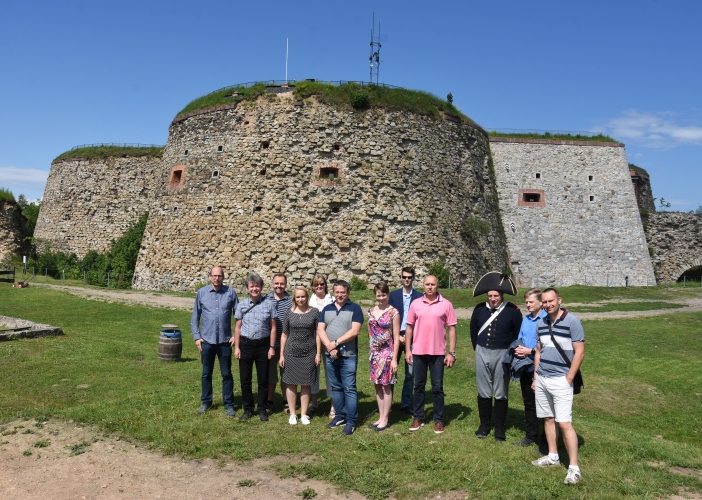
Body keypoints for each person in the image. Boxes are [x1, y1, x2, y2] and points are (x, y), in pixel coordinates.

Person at [531, 288, 585, 485]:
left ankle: (574, 467)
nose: (547, 305)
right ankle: (553, 456)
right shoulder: (541, 323)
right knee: (548, 418)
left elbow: (579, 352)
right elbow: (538, 351)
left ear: (559, 300)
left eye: (551, 301)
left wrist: (569, 378)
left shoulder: (573, 321)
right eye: (544, 302)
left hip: (561, 379)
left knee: (564, 423)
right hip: (543, 377)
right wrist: (536, 376)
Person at [405, 275, 457, 434]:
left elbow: (452, 329)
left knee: (437, 388)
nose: (429, 287)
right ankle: (418, 417)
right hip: (419, 351)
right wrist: (408, 349)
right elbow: (409, 327)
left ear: (437, 285)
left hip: (437, 352)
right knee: (418, 386)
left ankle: (438, 420)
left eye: (432, 284)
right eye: (427, 284)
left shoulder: (446, 304)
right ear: (423, 285)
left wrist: (452, 353)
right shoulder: (415, 304)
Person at [470, 288, 522, 441]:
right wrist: (477, 347)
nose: (493, 299)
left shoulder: (513, 310)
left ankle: (499, 428)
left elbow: (517, 333)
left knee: (501, 391)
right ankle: (484, 425)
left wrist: (509, 352)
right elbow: (473, 329)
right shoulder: (479, 308)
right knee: (483, 389)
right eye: (490, 296)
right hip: (482, 351)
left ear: (502, 295)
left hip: (502, 353)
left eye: (496, 296)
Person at [190, 266, 239, 417]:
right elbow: (195, 317)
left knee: (227, 374)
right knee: (206, 373)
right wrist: (197, 337)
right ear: (210, 276)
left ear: (223, 277)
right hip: (207, 341)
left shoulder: (230, 292)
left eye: (220, 276)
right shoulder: (202, 293)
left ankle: (229, 404)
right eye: (214, 275)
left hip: (225, 342)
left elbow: (239, 317)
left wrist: (234, 336)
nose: (217, 278)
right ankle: (206, 402)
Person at [317, 279, 364, 436]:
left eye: (343, 292)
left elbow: (355, 331)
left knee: (349, 388)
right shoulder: (327, 309)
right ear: (333, 293)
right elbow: (320, 330)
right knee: (336, 387)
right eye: (337, 292)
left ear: (348, 293)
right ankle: (339, 416)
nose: (340, 295)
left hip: (348, 355)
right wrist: (330, 347)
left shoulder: (355, 308)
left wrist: (335, 343)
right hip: (330, 354)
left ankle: (351, 420)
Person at [233, 272, 277, 422]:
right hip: (246, 345)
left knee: (263, 379)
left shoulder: (269, 304)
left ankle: (262, 409)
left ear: (262, 287)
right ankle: (248, 409)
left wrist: (271, 347)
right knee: (245, 379)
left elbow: (273, 328)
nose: (254, 289)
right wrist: (237, 347)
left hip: (263, 345)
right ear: (247, 288)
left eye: (257, 286)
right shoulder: (242, 305)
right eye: (252, 286)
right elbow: (237, 327)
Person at [279, 286, 321, 425]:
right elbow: (284, 334)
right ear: (294, 298)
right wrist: (281, 355)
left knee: (306, 383)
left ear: (307, 297)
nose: (301, 299)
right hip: (291, 353)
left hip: (309, 353)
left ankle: (303, 414)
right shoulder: (289, 313)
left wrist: (318, 353)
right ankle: (292, 414)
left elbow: (318, 334)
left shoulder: (314, 312)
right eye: (298, 297)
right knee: (290, 383)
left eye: (303, 296)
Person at [512, 288, 547, 446]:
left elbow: (548, 346)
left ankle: (547, 440)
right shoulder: (526, 320)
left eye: (531, 302)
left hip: (543, 366)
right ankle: (531, 435)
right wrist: (519, 349)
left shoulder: (547, 319)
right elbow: (520, 338)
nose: (527, 304)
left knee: (545, 404)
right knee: (529, 402)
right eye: (526, 302)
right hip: (526, 365)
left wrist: (530, 351)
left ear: (540, 302)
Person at [388, 267, 423, 415]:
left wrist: (409, 337)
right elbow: (387, 316)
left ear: (413, 278)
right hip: (395, 336)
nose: (407, 279)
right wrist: (397, 336)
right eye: (404, 277)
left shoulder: (419, 297)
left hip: (413, 338)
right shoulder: (394, 295)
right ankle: (387, 403)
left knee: (410, 374)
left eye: (409, 277)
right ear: (401, 278)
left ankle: (406, 404)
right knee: (391, 371)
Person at [367, 282, 400, 431]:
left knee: (386, 386)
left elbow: (396, 336)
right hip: (374, 354)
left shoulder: (394, 312)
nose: (381, 298)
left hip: (387, 354)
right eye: (378, 295)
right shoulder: (371, 311)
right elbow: (369, 331)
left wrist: (394, 359)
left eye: (384, 295)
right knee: (378, 386)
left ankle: (386, 418)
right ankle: (380, 416)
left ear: (388, 294)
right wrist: (372, 348)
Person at [266, 273, 292, 414]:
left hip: (287, 344)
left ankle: (286, 401)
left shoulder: (291, 300)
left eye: (282, 283)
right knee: (270, 375)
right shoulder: (266, 299)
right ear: (272, 284)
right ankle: (269, 401)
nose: (279, 286)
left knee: (286, 375)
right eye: (276, 283)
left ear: (286, 285)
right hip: (270, 343)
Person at [309, 274, 334, 417]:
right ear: (312, 287)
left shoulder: (333, 300)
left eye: (322, 284)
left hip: (330, 339)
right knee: (314, 371)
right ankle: (314, 403)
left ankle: (333, 404)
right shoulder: (309, 301)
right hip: (312, 340)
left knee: (330, 372)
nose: (319, 287)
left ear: (325, 285)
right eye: (316, 284)